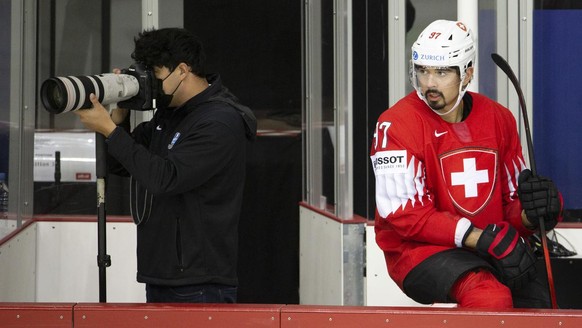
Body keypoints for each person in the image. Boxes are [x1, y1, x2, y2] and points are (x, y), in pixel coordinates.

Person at [370, 20, 563, 308]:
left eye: (442, 71)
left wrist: (534, 213)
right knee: (489, 296)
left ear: (467, 73)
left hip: (485, 244)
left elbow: (510, 203)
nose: (429, 83)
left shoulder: (498, 117)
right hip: (419, 250)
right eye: (423, 70)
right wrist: (480, 239)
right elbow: (406, 215)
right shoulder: (396, 124)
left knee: (540, 305)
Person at [74, 27, 257, 303]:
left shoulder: (219, 122)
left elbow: (166, 178)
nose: (153, 86)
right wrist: (119, 115)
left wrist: (111, 130)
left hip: (200, 281)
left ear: (182, 70)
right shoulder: (169, 115)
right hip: (161, 272)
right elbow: (121, 164)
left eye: (156, 77)